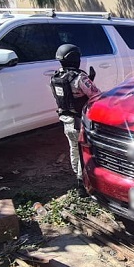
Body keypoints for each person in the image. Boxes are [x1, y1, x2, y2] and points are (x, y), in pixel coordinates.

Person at [49, 44, 101, 197]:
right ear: (75, 58)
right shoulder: (79, 77)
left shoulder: (55, 77)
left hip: (66, 120)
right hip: (79, 122)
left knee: (73, 149)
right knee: (83, 151)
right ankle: (82, 184)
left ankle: (77, 177)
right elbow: (96, 95)